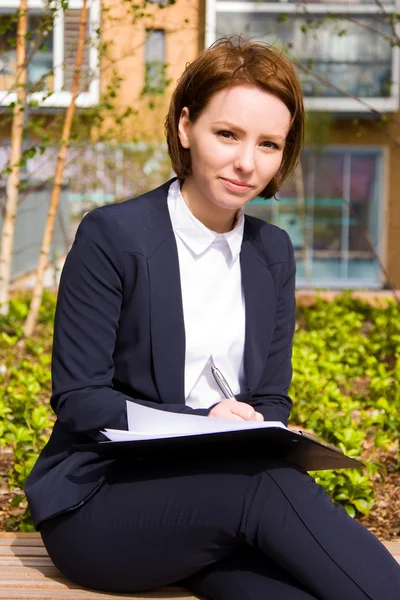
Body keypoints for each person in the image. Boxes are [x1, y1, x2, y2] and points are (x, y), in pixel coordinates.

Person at [25, 37, 400, 600]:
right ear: (185, 127)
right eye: (228, 134)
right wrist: (206, 420)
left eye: (269, 143)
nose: (248, 162)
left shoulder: (273, 252)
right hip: (104, 502)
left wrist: (254, 423)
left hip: (216, 505)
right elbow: (79, 398)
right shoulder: (115, 236)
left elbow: (272, 397)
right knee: (267, 486)